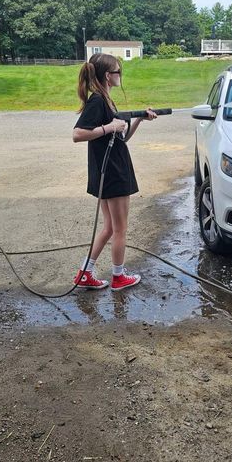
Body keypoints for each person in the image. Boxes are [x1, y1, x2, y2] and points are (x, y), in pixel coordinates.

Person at [73, 53, 157, 290]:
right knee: (120, 229)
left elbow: (121, 138)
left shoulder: (106, 100)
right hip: (112, 173)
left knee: (110, 227)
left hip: (111, 169)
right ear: (108, 76)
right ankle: (119, 277)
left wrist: (140, 119)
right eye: (118, 71)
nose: (120, 75)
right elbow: (77, 134)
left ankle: (84, 273)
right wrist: (109, 126)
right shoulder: (97, 101)